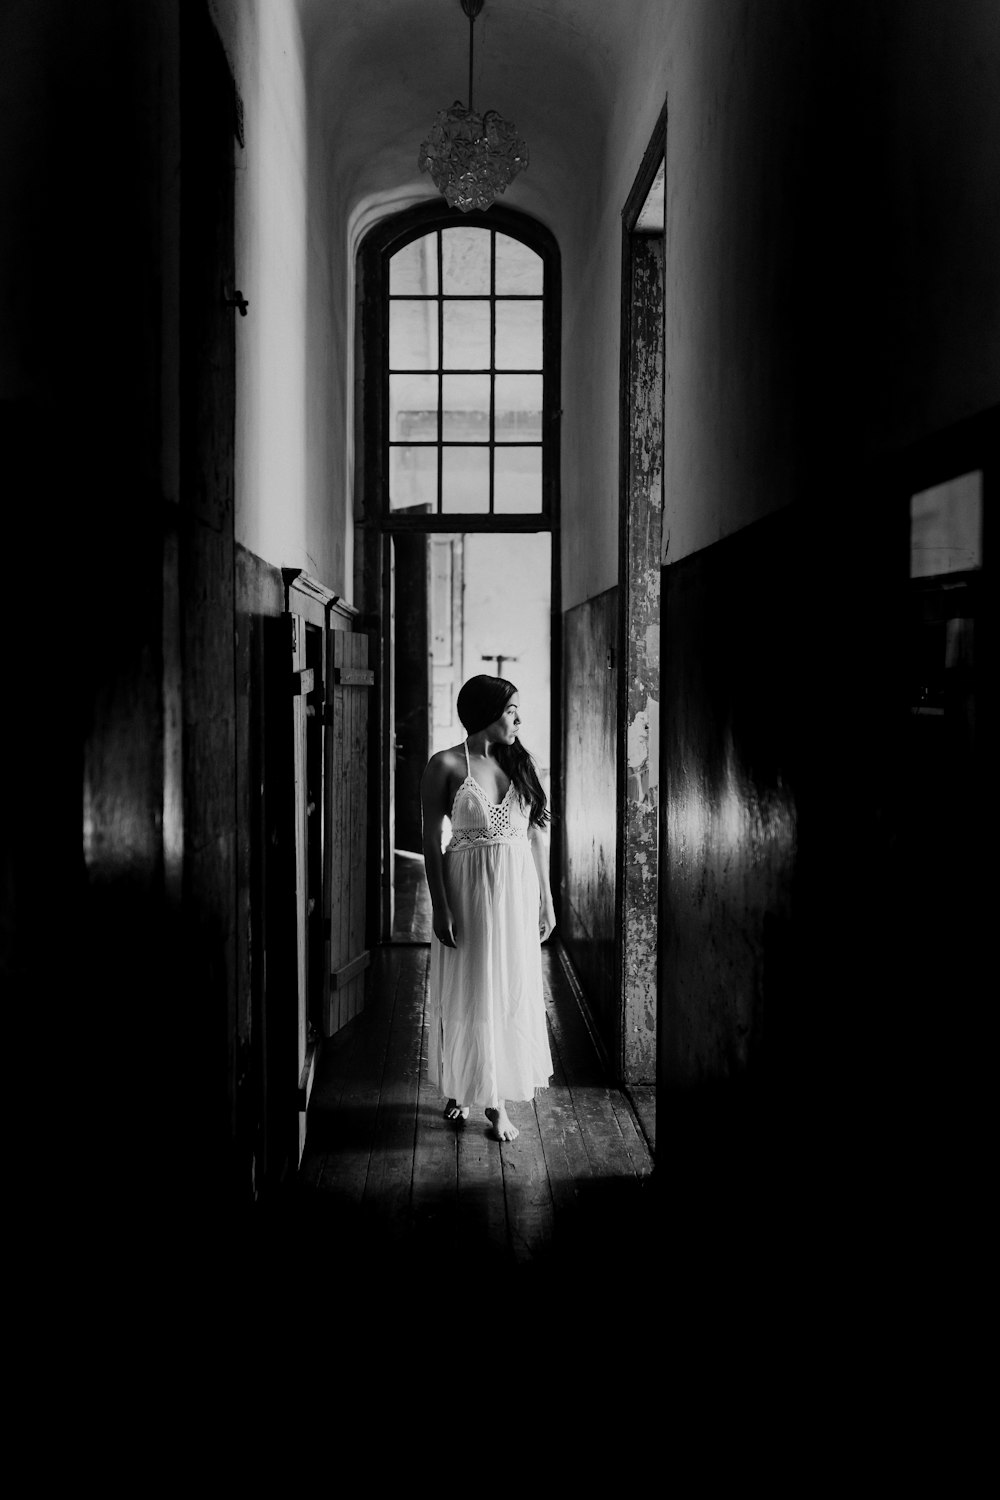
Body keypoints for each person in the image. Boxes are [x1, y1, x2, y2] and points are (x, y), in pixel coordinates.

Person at [420, 675, 556, 1143]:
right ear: (484, 712)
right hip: (467, 894)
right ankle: (462, 1088)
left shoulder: (521, 764)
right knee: (469, 989)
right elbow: (429, 842)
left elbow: (538, 835)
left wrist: (547, 900)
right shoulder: (445, 765)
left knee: (505, 990)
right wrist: (440, 907)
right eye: (511, 709)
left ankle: (496, 1103)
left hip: (515, 896)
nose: (519, 718)